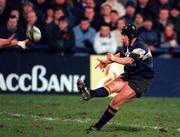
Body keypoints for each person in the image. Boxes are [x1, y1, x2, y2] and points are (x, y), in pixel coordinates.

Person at [77, 24, 154, 132]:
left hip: (141, 79)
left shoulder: (141, 47)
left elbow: (129, 60)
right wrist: (107, 61)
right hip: (130, 74)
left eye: (124, 35)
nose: (122, 37)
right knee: (111, 86)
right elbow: (122, 54)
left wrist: (112, 58)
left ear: (131, 36)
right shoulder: (128, 45)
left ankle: (97, 127)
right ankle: (89, 94)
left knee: (116, 101)